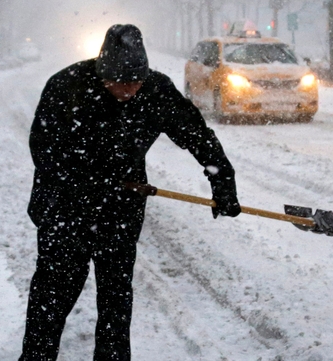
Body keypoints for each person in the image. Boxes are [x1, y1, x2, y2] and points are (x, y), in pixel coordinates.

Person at [19, 24, 241, 361]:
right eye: (120, 83)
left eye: (136, 82)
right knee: (55, 291)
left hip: (119, 209)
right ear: (102, 71)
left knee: (115, 295)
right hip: (64, 206)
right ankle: (36, 356)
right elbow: (43, 148)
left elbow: (196, 133)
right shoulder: (67, 85)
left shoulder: (155, 90)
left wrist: (222, 180)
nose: (129, 90)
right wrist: (86, 178)